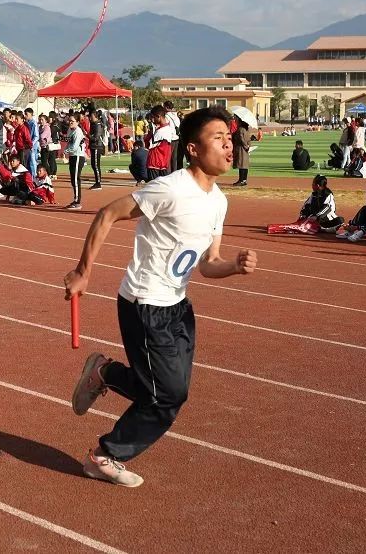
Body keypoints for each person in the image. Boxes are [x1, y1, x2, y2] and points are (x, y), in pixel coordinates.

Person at [66, 106, 256, 488]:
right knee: (167, 395)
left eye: (228, 136)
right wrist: (84, 271)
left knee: (168, 391)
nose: (228, 144)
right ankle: (105, 455)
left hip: (177, 306)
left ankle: (105, 372)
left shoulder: (219, 201)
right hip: (144, 303)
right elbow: (106, 214)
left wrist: (233, 265)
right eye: (217, 137)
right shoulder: (170, 188)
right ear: (193, 148)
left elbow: (209, 263)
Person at [145, 106, 175, 181]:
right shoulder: (168, 128)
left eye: (153, 117)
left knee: (153, 188)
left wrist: (149, 134)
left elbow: (149, 145)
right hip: (164, 163)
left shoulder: (161, 131)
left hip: (154, 163)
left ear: (158, 116)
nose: (152, 120)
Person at [64, 113, 87, 210]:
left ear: (77, 122)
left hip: (78, 156)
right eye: (69, 121)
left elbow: (74, 147)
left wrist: (65, 151)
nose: (70, 123)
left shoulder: (78, 132)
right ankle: (75, 199)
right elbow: (69, 143)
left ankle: (78, 202)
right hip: (73, 156)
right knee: (73, 179)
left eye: (72, 121)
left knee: (76, 179)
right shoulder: (70, 130)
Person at [88, 109, 105, 191]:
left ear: (95, 116)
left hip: (96, 146)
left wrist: (87, 135)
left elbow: (96, 137)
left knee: (95, 165)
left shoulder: (97, 125)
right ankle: (97, 181)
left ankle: (98, 183)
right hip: (94, 146)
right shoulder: (94, 124)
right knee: (94, 164)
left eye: (91, 116)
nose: (90, 118)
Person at [231, 118, 251, 186]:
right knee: (245, 165)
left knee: (241, 165)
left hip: (241, 149)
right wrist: (248, 146)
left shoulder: (240, 129)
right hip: (246, 149)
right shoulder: (247, 129)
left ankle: (241, 180)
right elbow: (249, 139)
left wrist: (245, 146)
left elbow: (241, 139)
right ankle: (244, 180)